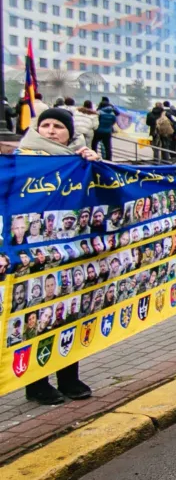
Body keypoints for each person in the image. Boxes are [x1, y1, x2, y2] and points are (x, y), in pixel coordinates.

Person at [15, 108, 99, 405]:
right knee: (38, 317)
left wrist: (95, 163)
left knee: (68, 314)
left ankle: (69, 378)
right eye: (46, 125)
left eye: (58, 126)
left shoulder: (79, 160)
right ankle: (36, 383)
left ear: (70, 132)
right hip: (34, 255)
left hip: (69, 252)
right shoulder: (22, 158)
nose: (51, 131)